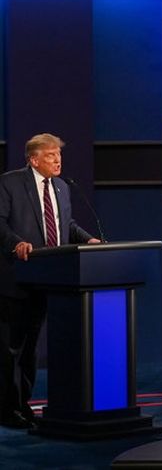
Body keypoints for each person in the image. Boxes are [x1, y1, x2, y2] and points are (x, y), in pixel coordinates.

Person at [0, 133, 100, 429]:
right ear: (33, 159)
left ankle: (23, 405)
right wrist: (16, 243)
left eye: (59, 155)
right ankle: (7, 408)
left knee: (30, 349)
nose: (58, 161)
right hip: (16, 278)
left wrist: (90, 240)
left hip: (49, 278)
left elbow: (64, 224)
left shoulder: (61, 187)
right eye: (51, 156)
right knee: (10, 349)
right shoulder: (9, 183)